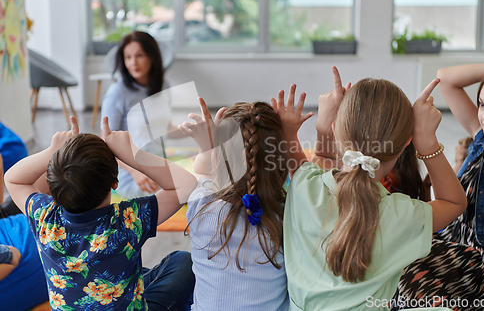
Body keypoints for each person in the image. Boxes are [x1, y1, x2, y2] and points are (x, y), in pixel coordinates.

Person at [276, 67, 466, 311]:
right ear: (407, 144)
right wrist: (427, 140)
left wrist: (318, 127)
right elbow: (454, 203)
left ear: (335, 129)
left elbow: (322, 157)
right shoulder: (404, 215)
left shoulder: (304, 185)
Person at [5, 116, 196, 310]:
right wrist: (131, 153)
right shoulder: (128, 219)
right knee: (182, 261)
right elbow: (186, 184)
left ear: (51, 184)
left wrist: (51, 151)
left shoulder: (43, 217)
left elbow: (13, 179)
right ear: (115, 184)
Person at [177, 97, 312, 310]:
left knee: (178, 262)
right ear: (281, 160)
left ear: (217, 160)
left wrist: (207, 147)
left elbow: (202, 172)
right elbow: (309, 188)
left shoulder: (201, 204)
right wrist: (290, 137)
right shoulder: (292, 216)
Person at [396, 63, 484, 309]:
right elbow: (445, 78)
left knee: (410, 275)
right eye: (482, 104)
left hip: (481, 260)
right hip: (445, 241)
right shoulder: (480, 140)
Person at [101, 31, 181, 199]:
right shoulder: (117, 93)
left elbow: (164, 127)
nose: (133, 63)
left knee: (201, 180)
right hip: (132, 175)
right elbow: (106, 144)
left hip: (160, 166)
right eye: (127, 57)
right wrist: (134, 172)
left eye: (139, 55)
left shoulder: (163, 86)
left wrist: (196, 130)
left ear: (152, 57)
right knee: (184, 191)